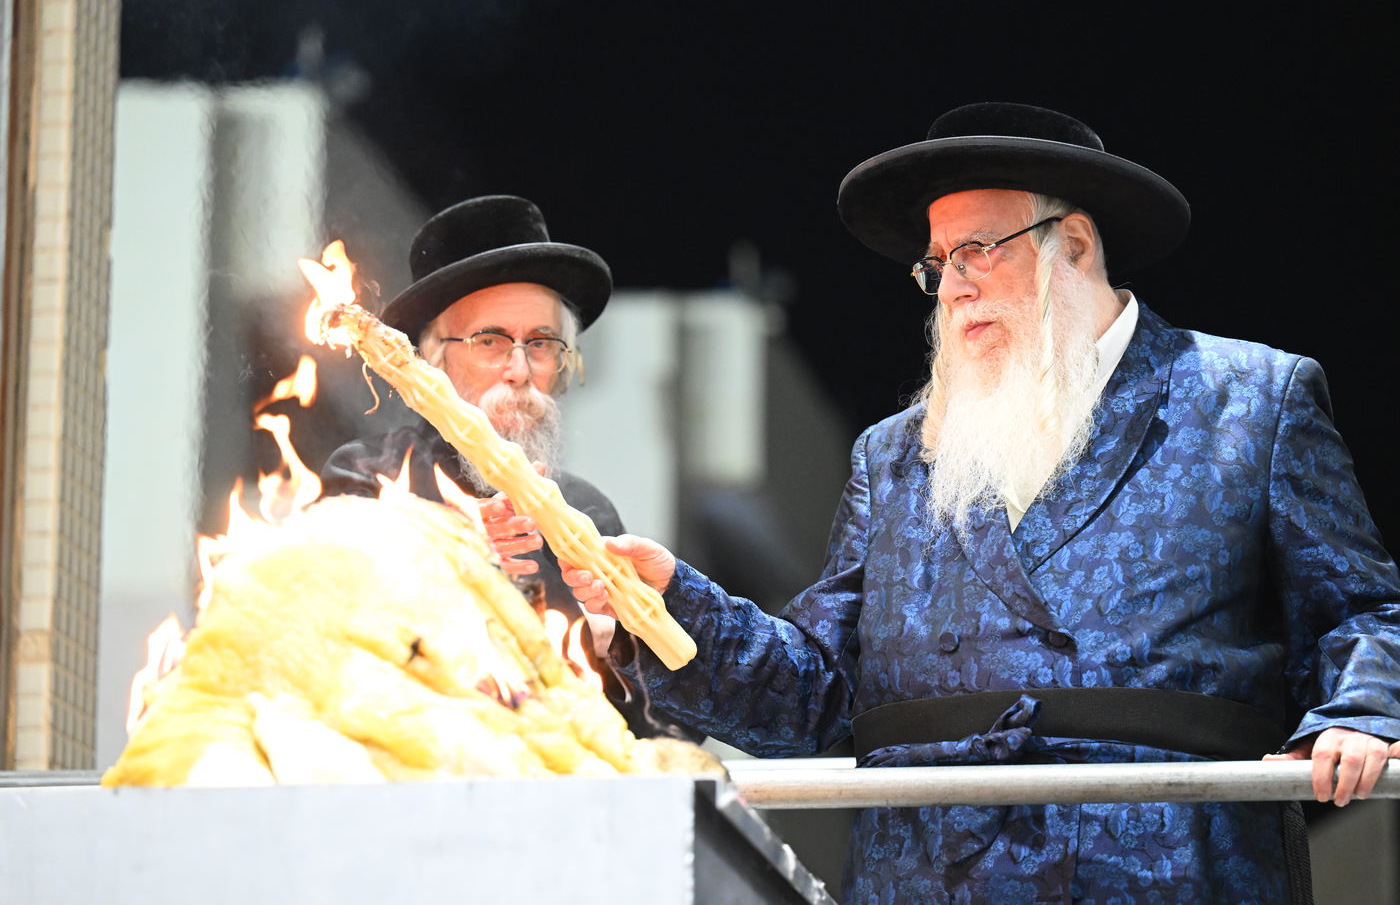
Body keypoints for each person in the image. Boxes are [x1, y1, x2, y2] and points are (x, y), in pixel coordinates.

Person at [561, 103, 1400, 903]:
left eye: (978, 250)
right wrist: (666, 605)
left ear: (1074, 245)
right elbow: (815, 693)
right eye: (938, 263)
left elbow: (1362, 610)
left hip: (1171, 861)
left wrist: (1361, 710)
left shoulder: (1250, 400)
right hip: (929, 873)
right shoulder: (894, 454)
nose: (953, 286)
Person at [320, 195, 683, 738]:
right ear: (432, 357)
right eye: (489, 341)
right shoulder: (367, 478)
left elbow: (660, 730)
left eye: (541, 343)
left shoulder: (586, 511)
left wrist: (622, 649)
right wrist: (459, 553)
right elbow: (325, 650)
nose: (519, 369)